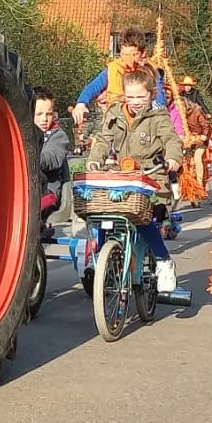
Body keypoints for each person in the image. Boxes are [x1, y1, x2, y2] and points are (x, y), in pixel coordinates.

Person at [85, 67, 184, 293]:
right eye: (130, 96)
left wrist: (172, 158)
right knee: (105, 211)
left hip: (152, 175)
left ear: (151, 94)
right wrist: (95, 160)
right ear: (123, 94)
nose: (135, 102)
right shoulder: (115, 113)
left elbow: (171, 140)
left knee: (143, 218)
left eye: (141, 96)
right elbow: (103, 140)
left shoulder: (158, 116)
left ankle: (164, 261)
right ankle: (101, 257)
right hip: (124, 174)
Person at [71, 28, 165, 129]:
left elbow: (160, 102)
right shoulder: (113, 69)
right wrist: (81, 103)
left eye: (134, 55)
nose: (128, 60)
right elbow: (93, 87)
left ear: (143, 54)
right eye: (124, 55)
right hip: (115, 124)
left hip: (143, 124)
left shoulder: (151, 72)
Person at [33, 89, 73, 222]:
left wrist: (30, 160)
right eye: (39, 114)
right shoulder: (24, 134)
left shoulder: (58, 136)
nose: (44, 119)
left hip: (48, 191)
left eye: (49, 114)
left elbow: (52, 158)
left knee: (29, 208)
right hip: (28, 188)